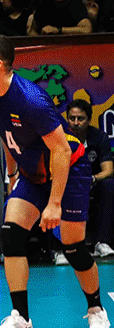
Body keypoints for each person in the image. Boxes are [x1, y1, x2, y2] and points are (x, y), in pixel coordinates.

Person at [0, 35, 110, 328]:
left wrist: (54, 203)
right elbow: (6, 136)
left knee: (73, 246)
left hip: (69, 169)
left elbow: (60, 151)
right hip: (33, 172)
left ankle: (97, 311)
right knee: (12, 234)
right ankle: (21, 320)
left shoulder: (32, 100)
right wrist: (11, 176)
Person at [65, 100, 114, 259]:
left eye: (81, 118)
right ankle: (61, 248)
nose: (76, 123)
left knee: (109, 185)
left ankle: (102, 243)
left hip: (92, 182)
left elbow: (108, 170)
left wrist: (93, 178)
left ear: (89, 119)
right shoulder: (61, 137)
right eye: (72, 118)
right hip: (68, 183)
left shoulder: (99, 137)